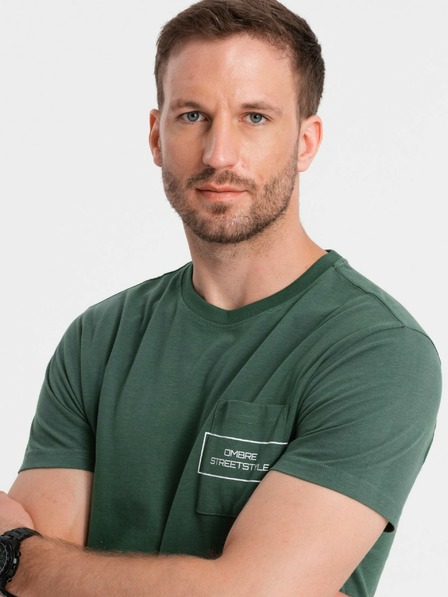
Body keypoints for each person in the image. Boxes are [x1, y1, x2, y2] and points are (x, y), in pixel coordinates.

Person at [0, 0, 441, 595]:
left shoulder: (377, 350)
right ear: (156, 136)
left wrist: (16, 559)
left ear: (305, 141)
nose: (219, 155)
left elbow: (251, 593)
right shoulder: (98, 339)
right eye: (192, 116)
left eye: (255, 117)